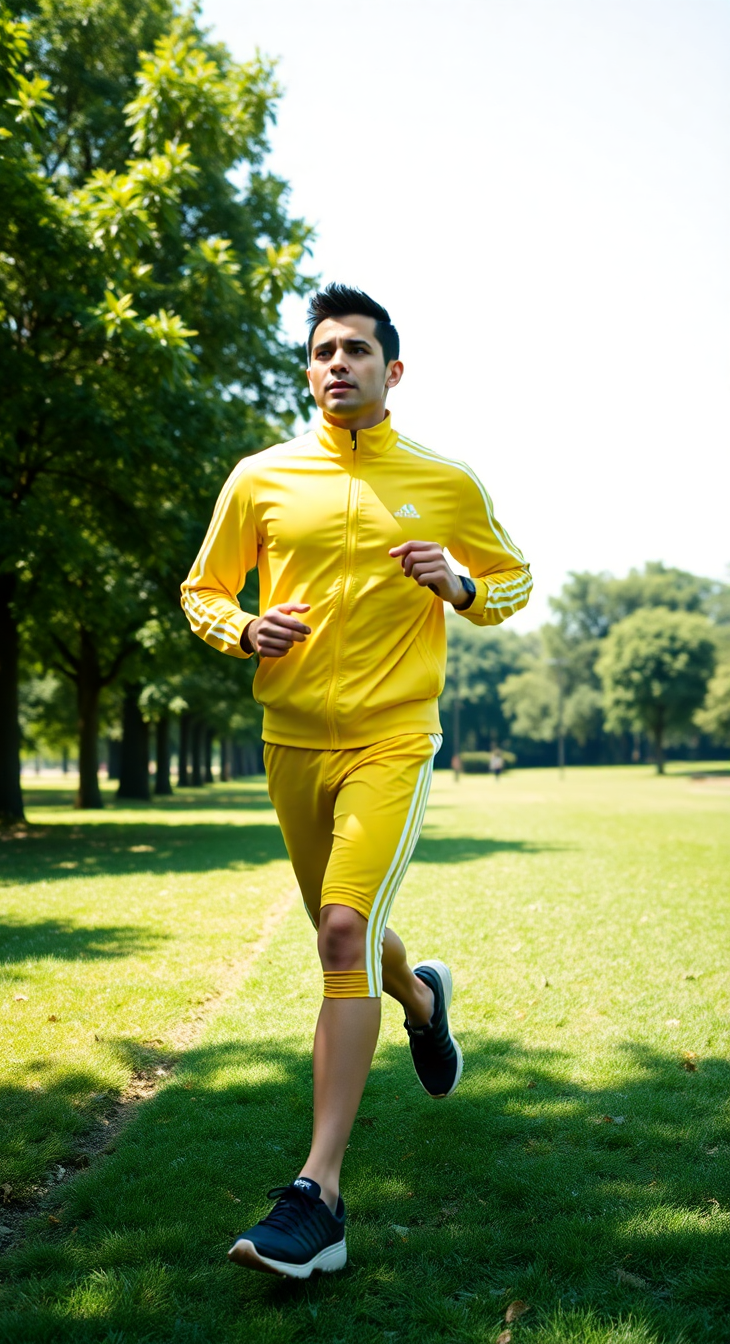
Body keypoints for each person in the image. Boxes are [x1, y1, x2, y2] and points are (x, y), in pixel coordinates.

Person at [181, 284, 532, 1279]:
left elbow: (512, 580)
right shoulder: (261, 479)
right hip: (290, 744)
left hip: (393, 741)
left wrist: (459, 585)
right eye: (324, 351)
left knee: (340, 932)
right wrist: (243, 628)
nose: (340, 364)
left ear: (393, 371)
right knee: (350, 933)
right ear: (309, 369)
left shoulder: (443, 481)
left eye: (359, 351)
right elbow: (202, 590)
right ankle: (422, 1002)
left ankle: (318, 1198)